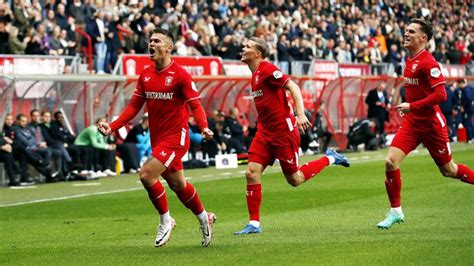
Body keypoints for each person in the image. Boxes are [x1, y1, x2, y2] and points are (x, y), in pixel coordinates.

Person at [97, 28, 216, 247]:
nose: (151, 44)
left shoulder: (180, 74)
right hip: (158, 139)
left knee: (146, 175)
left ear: (169, 47)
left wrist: (203, 127)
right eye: (149, 41)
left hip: (176, 138)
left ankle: (166, 220)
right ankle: (204, 218)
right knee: (178, 185)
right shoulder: (146, 75)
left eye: (157, 41)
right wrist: (113, 127)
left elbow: (195, 104)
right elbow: (134, 107)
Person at [233, 37, 350, 235]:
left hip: (283, 132)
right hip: (265, 132)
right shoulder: (254, 74)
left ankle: (331, 158)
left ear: (258, 54)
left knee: (295, 179)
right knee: (251, 172)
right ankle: (254, 224)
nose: (242, 49)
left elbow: (293, 86)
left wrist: (301, 114)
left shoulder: (267, 69)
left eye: (247, 46)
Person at [377, 18, 474, 230]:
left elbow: (441, 94)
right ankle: (395, 211)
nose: (406, 34)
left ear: (423, 38)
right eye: (405, 30)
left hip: (431, 125)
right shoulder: (409, 60)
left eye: (411, 31)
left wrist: (412, 106)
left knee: (448, 170)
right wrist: (411, 110)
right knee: (390, 161)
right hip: (412, 124)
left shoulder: (429, 63)